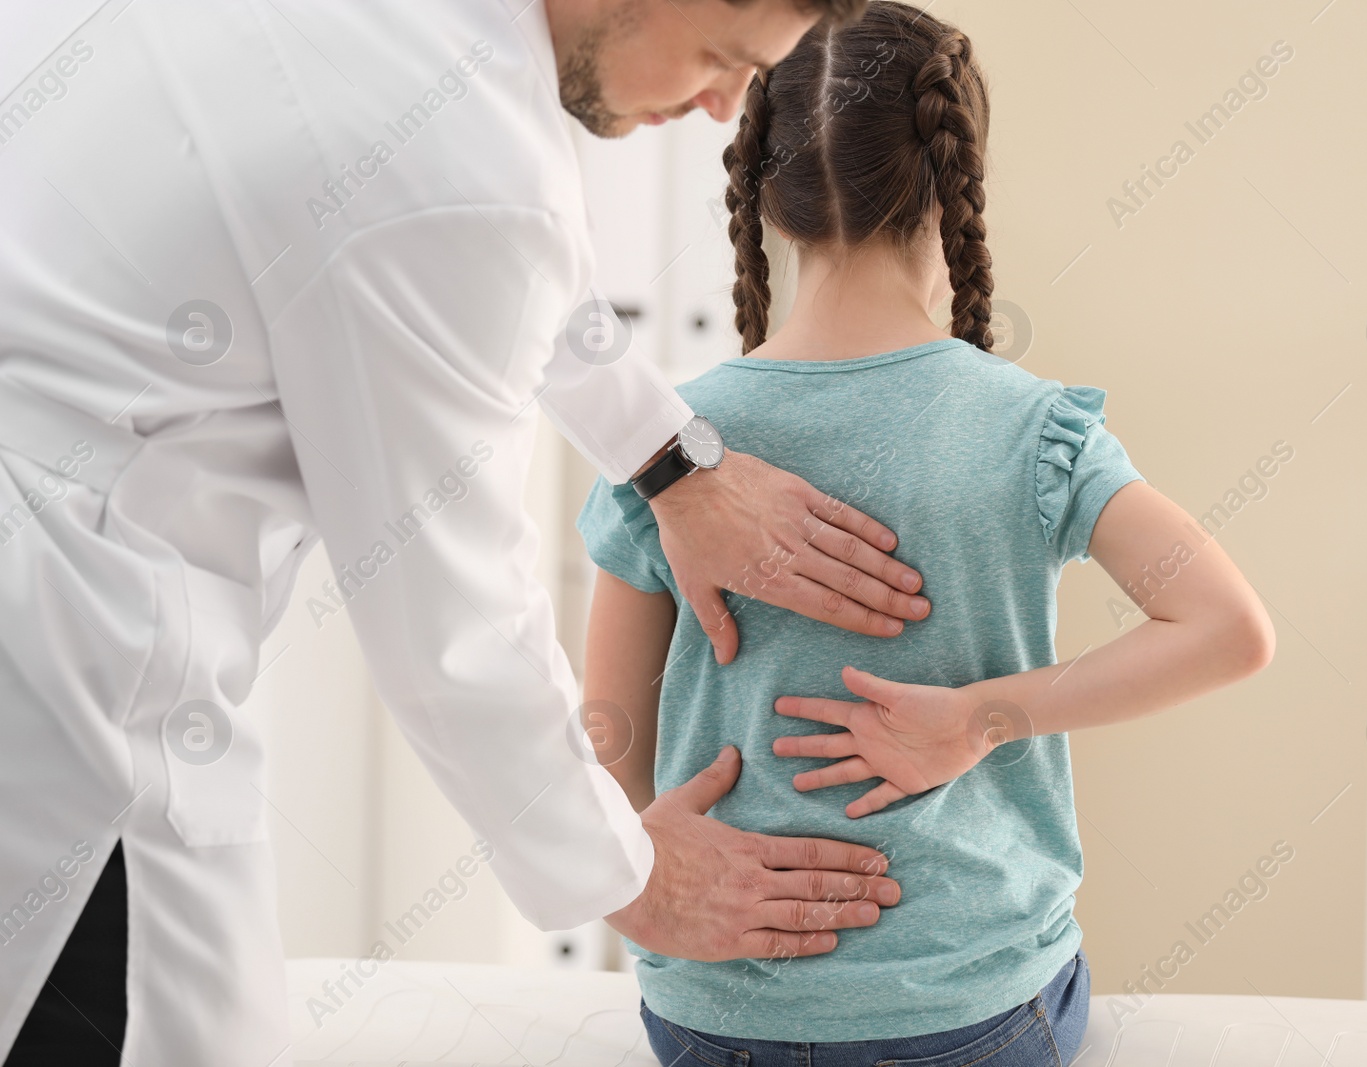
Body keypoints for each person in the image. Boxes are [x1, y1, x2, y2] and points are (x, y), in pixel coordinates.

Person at [0, 0, 928, 1063]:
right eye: (722, 59)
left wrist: (668, 457)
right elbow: (457, 628)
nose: (726, 107)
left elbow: (472, 247)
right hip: (50, 684)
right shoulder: (457, 161)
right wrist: (632, 875)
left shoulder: (430, 76)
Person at [577, 4, 1277, 1063]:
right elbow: (1230, 627)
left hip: (713, 1017)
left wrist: (641, 865)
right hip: (973, 1013)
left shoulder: (665, 450)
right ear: (956, 179)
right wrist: (979, 716)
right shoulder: (1034, 431)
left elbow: (606, 736)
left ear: (762, 187)